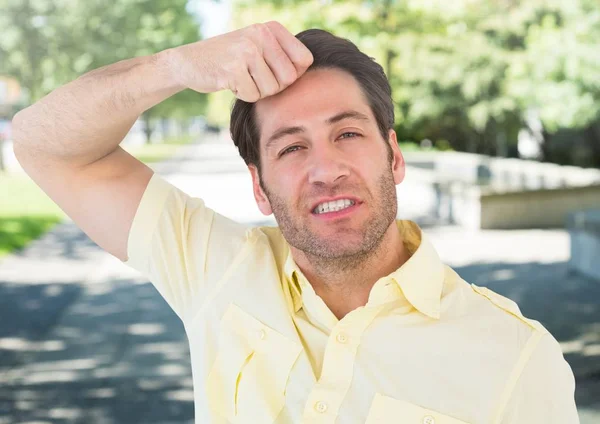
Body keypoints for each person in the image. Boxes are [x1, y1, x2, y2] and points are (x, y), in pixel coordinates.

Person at [12, 21, 578, 424]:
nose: (325, 169)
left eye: (347, 134)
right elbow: (45, 144)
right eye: (291, 148)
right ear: (259, 187)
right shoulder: (215, 268)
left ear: (394, 156)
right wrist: (176, 66)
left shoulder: (516, 356)